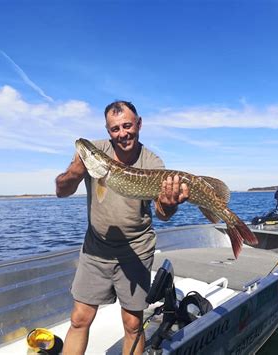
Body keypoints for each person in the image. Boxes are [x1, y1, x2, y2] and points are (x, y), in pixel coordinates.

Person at [55, 100, 189, 354]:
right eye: (115, 129)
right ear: (108, 131)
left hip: (136, 249)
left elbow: (163, 214)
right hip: (96, 248)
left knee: (133, 323)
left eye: (127, 126)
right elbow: (62, 191)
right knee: (79, 318)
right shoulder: (94, 152)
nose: (122, 133)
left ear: (138, 124)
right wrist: (73, 172)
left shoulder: (152, 162)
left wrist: (170, 204)